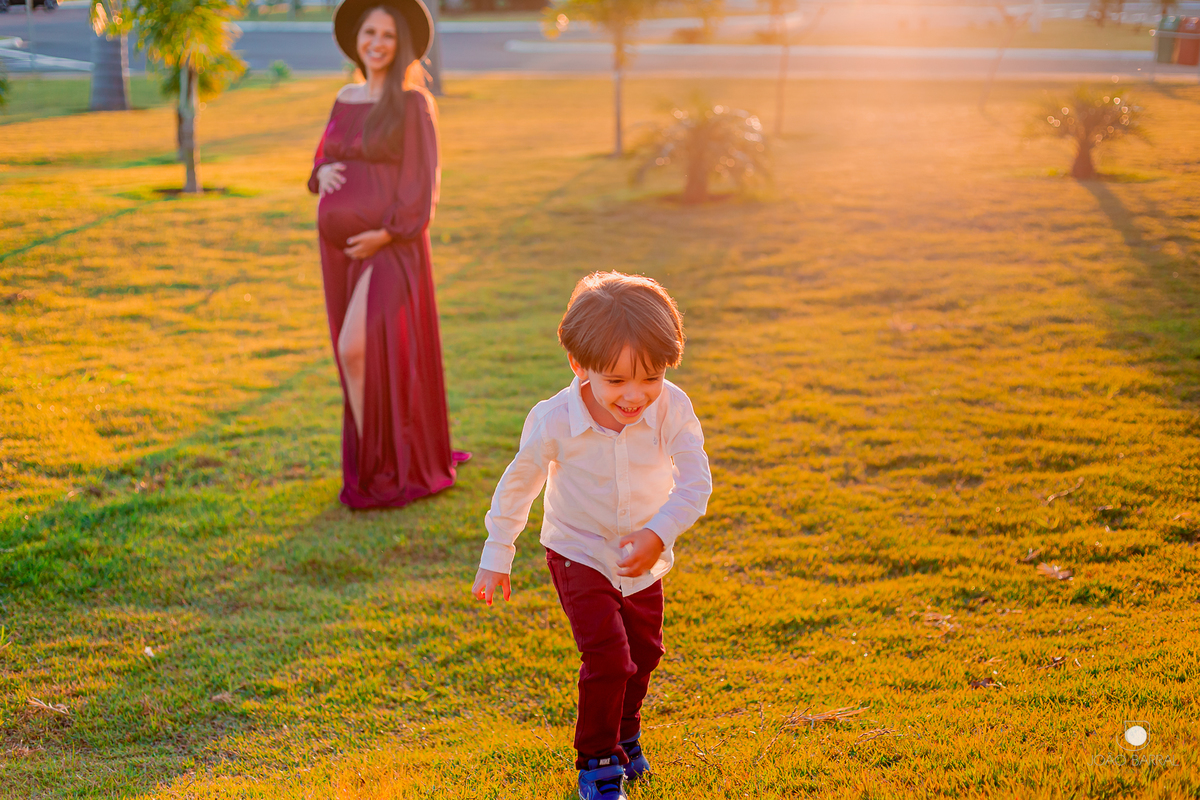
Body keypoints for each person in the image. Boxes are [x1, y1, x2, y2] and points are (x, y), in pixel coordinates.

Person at [472, 272, 712, 800]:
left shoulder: (672, 407)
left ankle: (626, 731)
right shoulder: (554, 419)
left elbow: (696, 482)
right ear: (579, 366)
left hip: (645, 554)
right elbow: (519, 486)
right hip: (578, 550)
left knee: (645, 654)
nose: (635, 396)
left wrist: (659, 532)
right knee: (608, 657)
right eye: (617, 381)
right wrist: (497, 553)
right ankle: (598, 764)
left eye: (650, 378)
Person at [309, 0, 468, 509]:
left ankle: (386, 464)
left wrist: (386, 233)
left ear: (401, 44)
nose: (376, 43)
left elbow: (422, 186)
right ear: (357, 36)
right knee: (350, 354)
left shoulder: (413, 102)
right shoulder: (346, 96)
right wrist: (321, 177)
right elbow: (323, 156)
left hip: (392, 249)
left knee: (359, 348)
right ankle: (368, 462)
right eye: (369, 32)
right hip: (340, 254)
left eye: (387, 36)